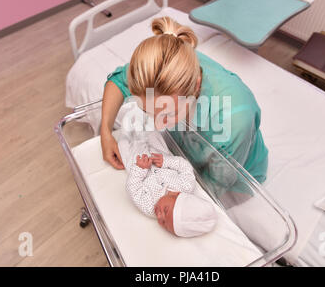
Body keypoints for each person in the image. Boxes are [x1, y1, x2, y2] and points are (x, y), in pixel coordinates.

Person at [100, 16, 269, 197]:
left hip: (236, 175)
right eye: (148, 112)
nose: (158, 126)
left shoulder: (233, 119)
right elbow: (118, 81)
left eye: (168, 114)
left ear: (196, 86)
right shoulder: (161, 67)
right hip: (185, 151)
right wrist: (105, 132)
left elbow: (215, 186)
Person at [116, 108, 217, 237]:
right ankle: (140, 110)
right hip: (160, 153)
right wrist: (166, 162)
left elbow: (133, 188)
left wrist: (139, 169)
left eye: (163, 223)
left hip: (137, 160)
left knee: (125, 143)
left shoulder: (149, 206)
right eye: (165, 210)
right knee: (152, 132)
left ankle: (126, 118)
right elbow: (184, 166)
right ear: (179, 198)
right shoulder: (186, 185)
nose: (159, 216)